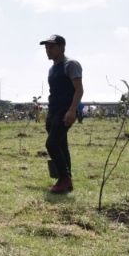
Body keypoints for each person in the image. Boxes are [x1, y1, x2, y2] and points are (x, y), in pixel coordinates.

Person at [40, 34, 83, 194]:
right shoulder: (52, 68)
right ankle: (67, 180)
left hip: (66, 111)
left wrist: (72, 110)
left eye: (51, 47)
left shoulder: (70, 64)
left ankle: (64, 178)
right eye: (46, 48)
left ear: (62, 47)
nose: (48, 50)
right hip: (53, 111)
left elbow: (79, 89)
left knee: (51, 144)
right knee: (61, 145)